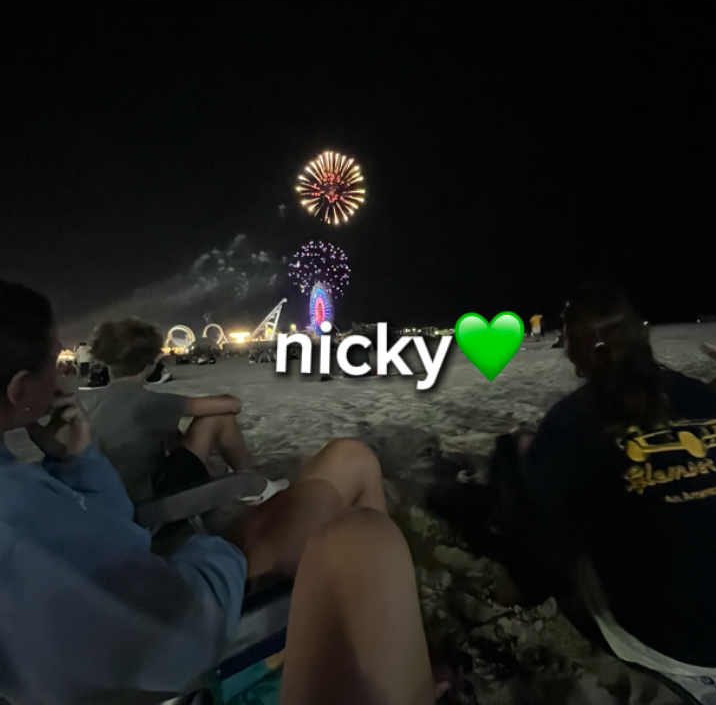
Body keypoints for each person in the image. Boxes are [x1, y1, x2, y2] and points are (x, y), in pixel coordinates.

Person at [0, 279, 437, 705]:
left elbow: (109, 531)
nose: (64, 381)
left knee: (344, 466)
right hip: (184, 593)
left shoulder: (19, 481)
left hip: (149, 563)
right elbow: (173, 638)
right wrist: (213, 549)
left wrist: (77, 461)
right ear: (19, 389)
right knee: (362, 509)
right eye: (54, 363)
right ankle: (390, 649)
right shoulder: (15, 524)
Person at [494, 283, 716, 675]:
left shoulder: (577, 415)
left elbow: (524, 509)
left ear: (581, 347)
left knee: (543, 484)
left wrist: (519, 456)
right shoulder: (703, 397)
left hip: (678, 644)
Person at [82, 318, 285, 504]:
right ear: (151, 363)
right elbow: (233, 405)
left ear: (105, 360)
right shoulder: (150, 402)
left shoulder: (88, 400)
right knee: (219, 417)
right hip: (147, 501)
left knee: (166, 433)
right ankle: (252, 485)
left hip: (103, 500)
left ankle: (226, 473)